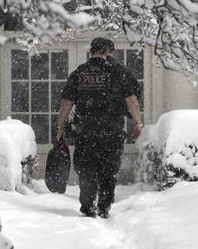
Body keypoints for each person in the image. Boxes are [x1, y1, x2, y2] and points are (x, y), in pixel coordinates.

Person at [55, 37, 143, 218]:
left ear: (92, 51)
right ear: (108, 52)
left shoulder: (80, 73)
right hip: (112, 130)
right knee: (109, 169)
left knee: (86, 168)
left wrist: (59, 127)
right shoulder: (118, 72)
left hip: (86, 131)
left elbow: (66, 103)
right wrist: (138, 122)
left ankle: (88, 205)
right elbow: (132, 100)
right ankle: (104, 206)